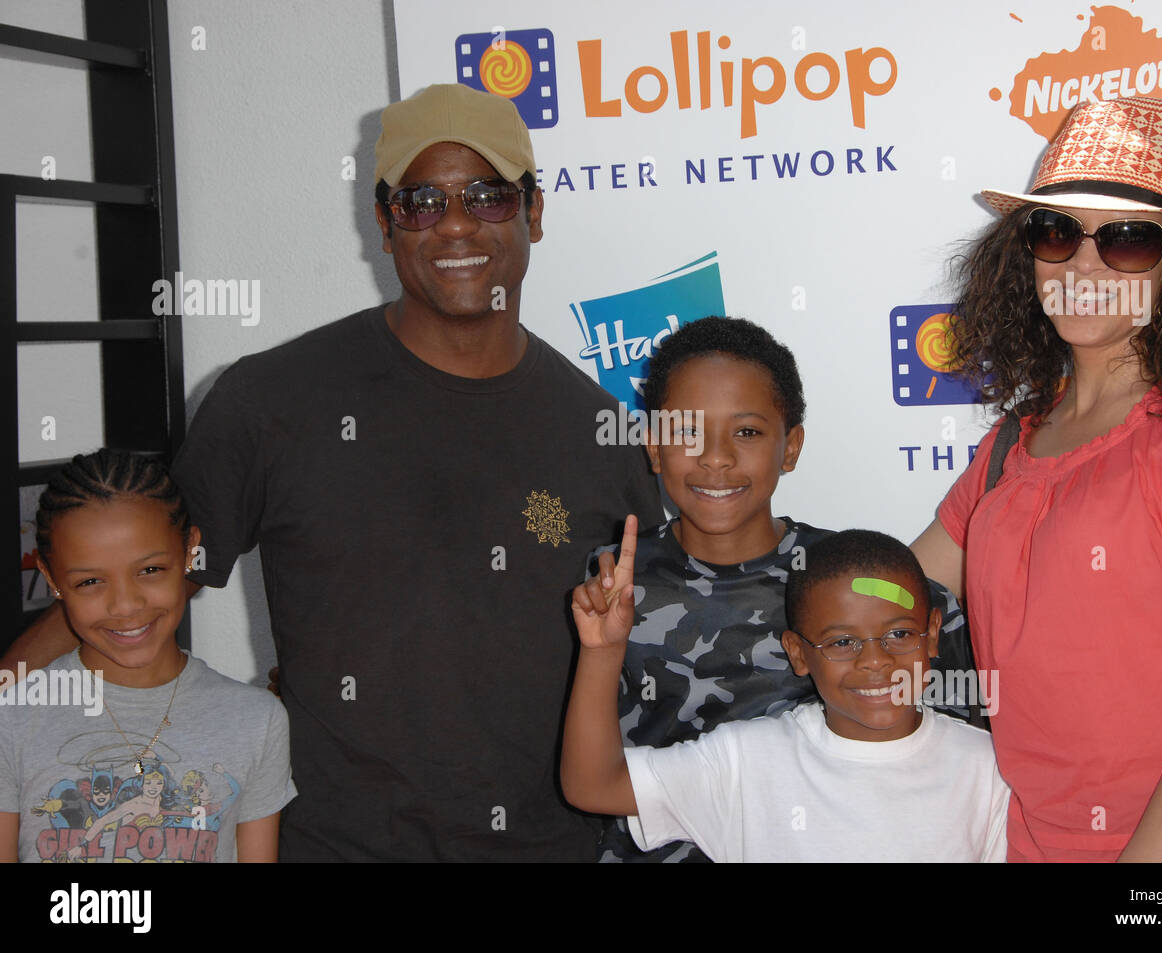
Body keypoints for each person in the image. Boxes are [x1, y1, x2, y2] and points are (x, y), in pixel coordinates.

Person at [5, 84, 662, 861]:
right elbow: (133, 586)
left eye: (488, 196)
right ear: (383, 224)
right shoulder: (270, 401)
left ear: (535, 213)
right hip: (333, 844)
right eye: (420, 202)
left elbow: (648, 655)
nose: (455, 222)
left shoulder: (602, 430)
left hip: (553, 845)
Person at [911, 96, 1162, 861]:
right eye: (1055, 232)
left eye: (1125, 240)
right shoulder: (1009, 445)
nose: (1083, 265)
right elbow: (890, 589)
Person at [574, 316, 975, 861]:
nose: (716, 458)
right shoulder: (612, 586)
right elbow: (589, 775)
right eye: (689, 431)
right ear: (652, 446)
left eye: (747, 432)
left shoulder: (852, 583)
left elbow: (955, 764)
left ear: (791, 447)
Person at [563, 524, 1009, 862]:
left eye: (898, 633)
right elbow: (595, 786)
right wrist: (602, 652)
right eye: (841, 642)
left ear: (932, 635)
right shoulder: (746, 761)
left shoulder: (988, 768)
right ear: (798, 654)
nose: (875, 661)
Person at [0, 449, 294, 863]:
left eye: (150, 570)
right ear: (51, 579)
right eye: (90, 581)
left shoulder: (257, 721)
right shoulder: (11, 720)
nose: (125, 605)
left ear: (190, 550)